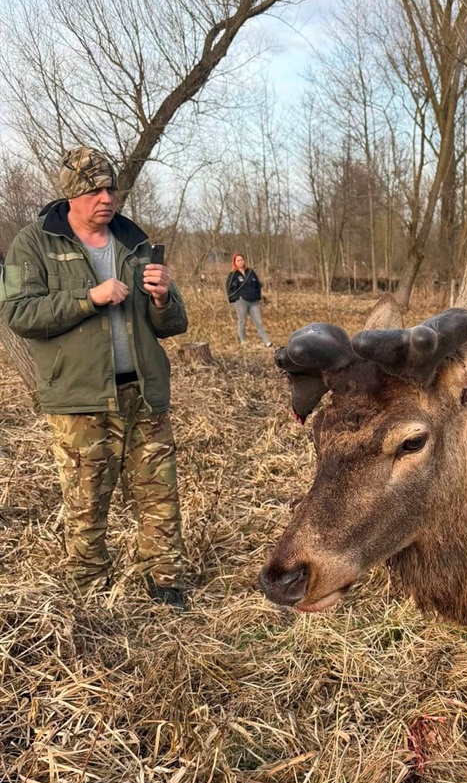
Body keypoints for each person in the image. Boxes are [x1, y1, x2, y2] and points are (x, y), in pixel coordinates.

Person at [0, 146, 190, 608]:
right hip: (80, 399)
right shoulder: (35, 241)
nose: (105, 198)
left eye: (111, 188)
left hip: (142, 392)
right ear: (71, 195)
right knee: (86, 503)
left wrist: (164, 299)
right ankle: (88, 593)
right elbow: (17, 312)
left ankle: (165, 583)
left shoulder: (135, 242)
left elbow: (174, 323)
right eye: (93, 189)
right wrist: (89, 297)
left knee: (160, 496)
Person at [225, 253, 271, 347]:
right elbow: (229, 288)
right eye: (238, 260)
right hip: (241, 301)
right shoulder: (233, 274)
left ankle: (266, 341)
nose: (241, 262)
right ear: (234, 262)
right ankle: (243, 341)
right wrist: (235, 299)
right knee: (242, 321)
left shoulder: (250, 272)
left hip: (253, 301)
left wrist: (258, 297)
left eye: (242, 260)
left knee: (259, 321)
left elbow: (258, 285)